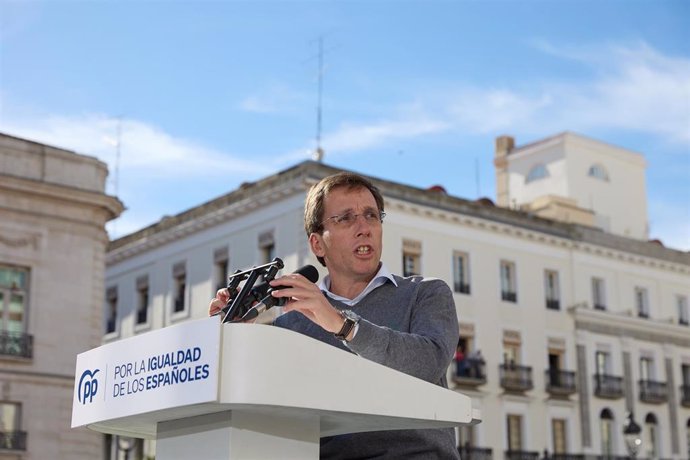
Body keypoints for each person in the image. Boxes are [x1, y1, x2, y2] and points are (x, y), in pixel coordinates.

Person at [209, 172, 460, 459]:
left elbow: (428, 364)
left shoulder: (425, 293)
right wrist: (234, 338)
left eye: (371, 215)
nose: (364, 227)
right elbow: (268, 408)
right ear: (317, 244)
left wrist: (341, 325)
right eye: (346, 218)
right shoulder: (291, 322)